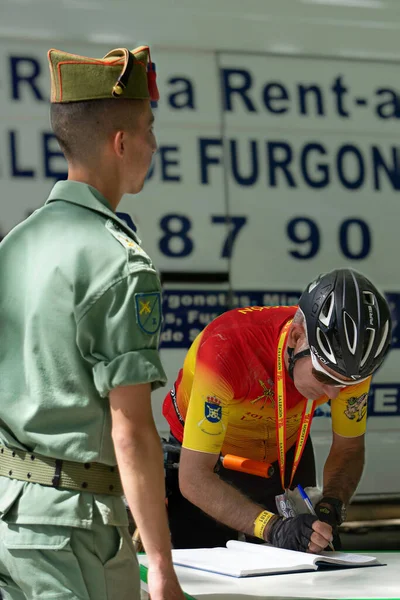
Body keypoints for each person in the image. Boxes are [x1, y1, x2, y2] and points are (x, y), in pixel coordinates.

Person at [0, 46, 184, 600]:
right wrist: (164, 572)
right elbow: (130, 432)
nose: (154, 144)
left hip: (11, 517)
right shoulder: (120, 262)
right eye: (148, 129)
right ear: (121, 142)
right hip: (74, 534)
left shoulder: (16, 243)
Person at [162, 268, 392, 553]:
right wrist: (273, 528)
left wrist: (331, 505)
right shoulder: (225, 350)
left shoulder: (350, 365)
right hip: (209, 457)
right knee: (202, 579)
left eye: (346, 385)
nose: (334, 393)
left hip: (284, 449)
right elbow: (194, 478)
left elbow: (348, 448)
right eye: (324, 377)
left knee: (309, 572)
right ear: (296, 338)